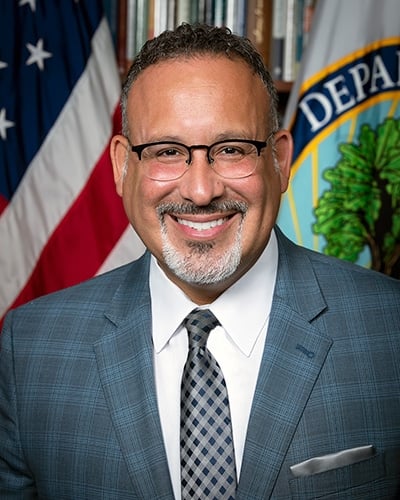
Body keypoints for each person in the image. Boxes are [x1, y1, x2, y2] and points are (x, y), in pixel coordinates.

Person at [0, 23, 399, 500]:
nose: (201, 190)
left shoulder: (390, 330)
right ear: (123, 167)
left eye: (231, 149)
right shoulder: (29, 350)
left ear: (280, 160)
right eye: (167, 152)